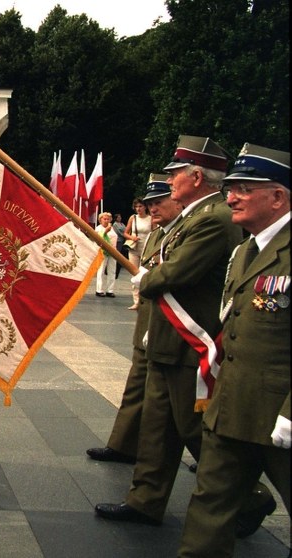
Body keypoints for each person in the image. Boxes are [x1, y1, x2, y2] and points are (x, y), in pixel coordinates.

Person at [96, 135, 278, 530]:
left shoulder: (212, 218)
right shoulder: (192, 217)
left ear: (196, 176)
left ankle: (249, 499)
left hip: (191, 344)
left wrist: (147, 278)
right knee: (157, 430)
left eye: (177, 173)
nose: (171, 179)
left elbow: (176, 272)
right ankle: (145, 500)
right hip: (167, 339)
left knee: (196, 430)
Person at [179, 144, 290, 556]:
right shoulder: (245, 250)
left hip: (280, 414)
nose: (231, 197)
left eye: (244, 188)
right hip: (232, 406)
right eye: (230, 188)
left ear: (277, 197)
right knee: (209, 508)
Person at [87, 175, 181, 464]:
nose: (152, 208)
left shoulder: (183, 231)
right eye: (148, 203)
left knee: (180, 413)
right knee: (135, 389)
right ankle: (123, 445)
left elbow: (167, 275)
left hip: (176, 328)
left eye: (158, 202)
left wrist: (145, 278)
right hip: (149, 323)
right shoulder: (157, 233)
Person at [124, 198, 152, 309]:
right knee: (135, 273)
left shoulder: (151, 218)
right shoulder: (133, 218)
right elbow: (125, 233)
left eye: (140, 206)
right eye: (136, 207)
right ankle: (136, 301)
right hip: (134, 248)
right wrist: (132, 237)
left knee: (145, 274)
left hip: (146, 249)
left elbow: (155, 233)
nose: (138, 209)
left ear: (145, 207)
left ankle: (145, 299)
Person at [94, 212, 117, 297]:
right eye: (104, 219)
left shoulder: (112, 228)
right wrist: (105, 232)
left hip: (113, 251)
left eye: (108, 219)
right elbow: (98, 239)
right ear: (100, 220)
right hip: (103, 252)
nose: (106, 220)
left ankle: (110, 290)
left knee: (112, 271)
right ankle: (99, 290)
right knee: (101, 271)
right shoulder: (98, 229)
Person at [112, 213, 127, 278]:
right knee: (117, 254)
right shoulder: (115, 224)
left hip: (123, 240)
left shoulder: (122, 224)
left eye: (120, 217)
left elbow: (126, 229)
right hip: (118, 240)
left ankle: (117, 268)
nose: (119, 218)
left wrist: (126, 234)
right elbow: (118, 232)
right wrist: (125, 235)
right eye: (118, 217)